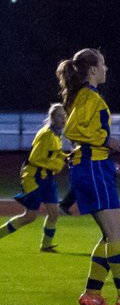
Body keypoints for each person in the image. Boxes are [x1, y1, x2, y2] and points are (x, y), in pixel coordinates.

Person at [59, 49, 120, 305]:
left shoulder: (86, 96)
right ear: (92, 70)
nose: (106, 68)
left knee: (110, 235)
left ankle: (93, 295)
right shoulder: (89, 95)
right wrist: (105, 142)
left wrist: (107, 161)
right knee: (116, 235)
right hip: (91, 169)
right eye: (103, 64)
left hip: (94, 167)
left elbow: (81, 137)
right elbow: (71, 130)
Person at [2, 103, 70, 251]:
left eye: (64, 116)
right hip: (34, 176)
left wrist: (67, 157)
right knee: (30, 216)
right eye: (60, 116)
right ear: (52, 117)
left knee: (54, 213)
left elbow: (53, 154)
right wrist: (58, 164)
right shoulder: (46, 134)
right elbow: (34, 159)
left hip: (47, 178)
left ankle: (45, 246)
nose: (63, 119)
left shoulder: (56, 135)